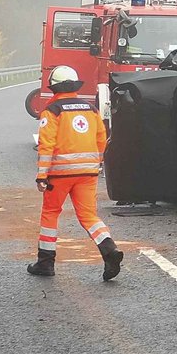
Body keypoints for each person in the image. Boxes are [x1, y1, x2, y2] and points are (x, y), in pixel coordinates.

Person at [29, 65, 123, 281]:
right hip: (88, 173)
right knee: (89, 216)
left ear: (53, 87)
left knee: (51, 214)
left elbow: (47, 145)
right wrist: (95, 163)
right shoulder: (91, 109)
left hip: (59, 175)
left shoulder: (51, 111)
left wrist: (42, 175)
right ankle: (109, 250)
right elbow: (102, 139)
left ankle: (45, 263)